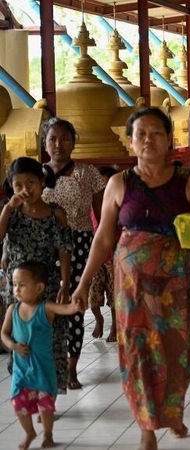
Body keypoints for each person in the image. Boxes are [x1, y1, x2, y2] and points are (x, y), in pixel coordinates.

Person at [72, 107, 190, 450]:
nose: (149, 140)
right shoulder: (119, 184)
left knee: (177, 352)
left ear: (169, 139)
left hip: (174, 284)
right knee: (138, 353)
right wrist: (83, 284)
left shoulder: (187, 181)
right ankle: (147, 425)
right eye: (141, 134)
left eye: (156, 133)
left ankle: (172, 412)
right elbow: (103, 240)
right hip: (132, 287)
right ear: (130, 142)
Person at [40, 117, 106, 390]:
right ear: (44, 142)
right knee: (46, 304)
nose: (59, 144)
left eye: (65, 139)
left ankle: (71, 367)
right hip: (44, 246)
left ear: (73, 142)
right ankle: (47, 365)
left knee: (74, 304)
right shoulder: (36, 173)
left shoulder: (87, 173)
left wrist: (105, 246)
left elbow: (102, 216)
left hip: (80, 241)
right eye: (53, 139)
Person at [0, 157, 73, 396]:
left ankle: (48, 393)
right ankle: (25, 388)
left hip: (47, 284)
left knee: (50, 339)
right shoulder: (11, 212)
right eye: (18, 185)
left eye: (30, 182)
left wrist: (65, 283)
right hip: (19, 288)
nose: (24, 190)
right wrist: (8, 208)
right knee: (22, 338)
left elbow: (64, 250)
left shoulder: (56, 213)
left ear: (42, 181)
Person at [1, 262, 85, 450]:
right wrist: (13, 345)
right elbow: (4, 334)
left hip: (43, 370)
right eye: (15, 285)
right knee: (18, 403)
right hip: (21, 371)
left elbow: (66, 309)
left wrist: (76, 306)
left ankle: (48, 434)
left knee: (46, 406)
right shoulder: (12, 310)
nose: (17, 289)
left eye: (22, 285)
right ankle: (29, 432)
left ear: (39, 287)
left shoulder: (45, 308)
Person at [88, 166, 118, 343]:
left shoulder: (118, 206)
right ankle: (98, 319)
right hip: (96, 257)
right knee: (93, 296)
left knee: (114, 296)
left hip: (113, 257)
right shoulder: (90, 207)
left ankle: (115, 326)